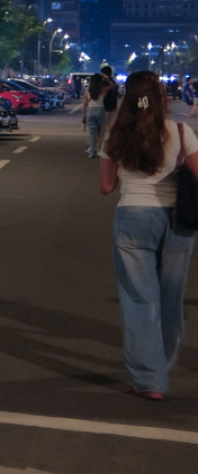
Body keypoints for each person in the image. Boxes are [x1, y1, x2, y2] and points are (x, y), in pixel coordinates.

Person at [98, 70, 198, 401]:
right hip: (178, 221)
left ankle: (150, 379)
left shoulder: (115, 133)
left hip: (134, 217)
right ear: (162, 96)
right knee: (171, 298)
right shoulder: (182, 131)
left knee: (140, 300)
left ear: (128, 97)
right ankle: (161, 365)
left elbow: (106, 186)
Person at [82, 70, 117, 158]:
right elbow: (112, 84)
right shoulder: (102, 90)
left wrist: (84, 115)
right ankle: (101, 149)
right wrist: (107, 77)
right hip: (100, 110)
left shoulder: (88, 91)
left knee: (92, 132)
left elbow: (85, 103)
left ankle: (92, 152)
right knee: (102, 132)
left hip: (90, 110)